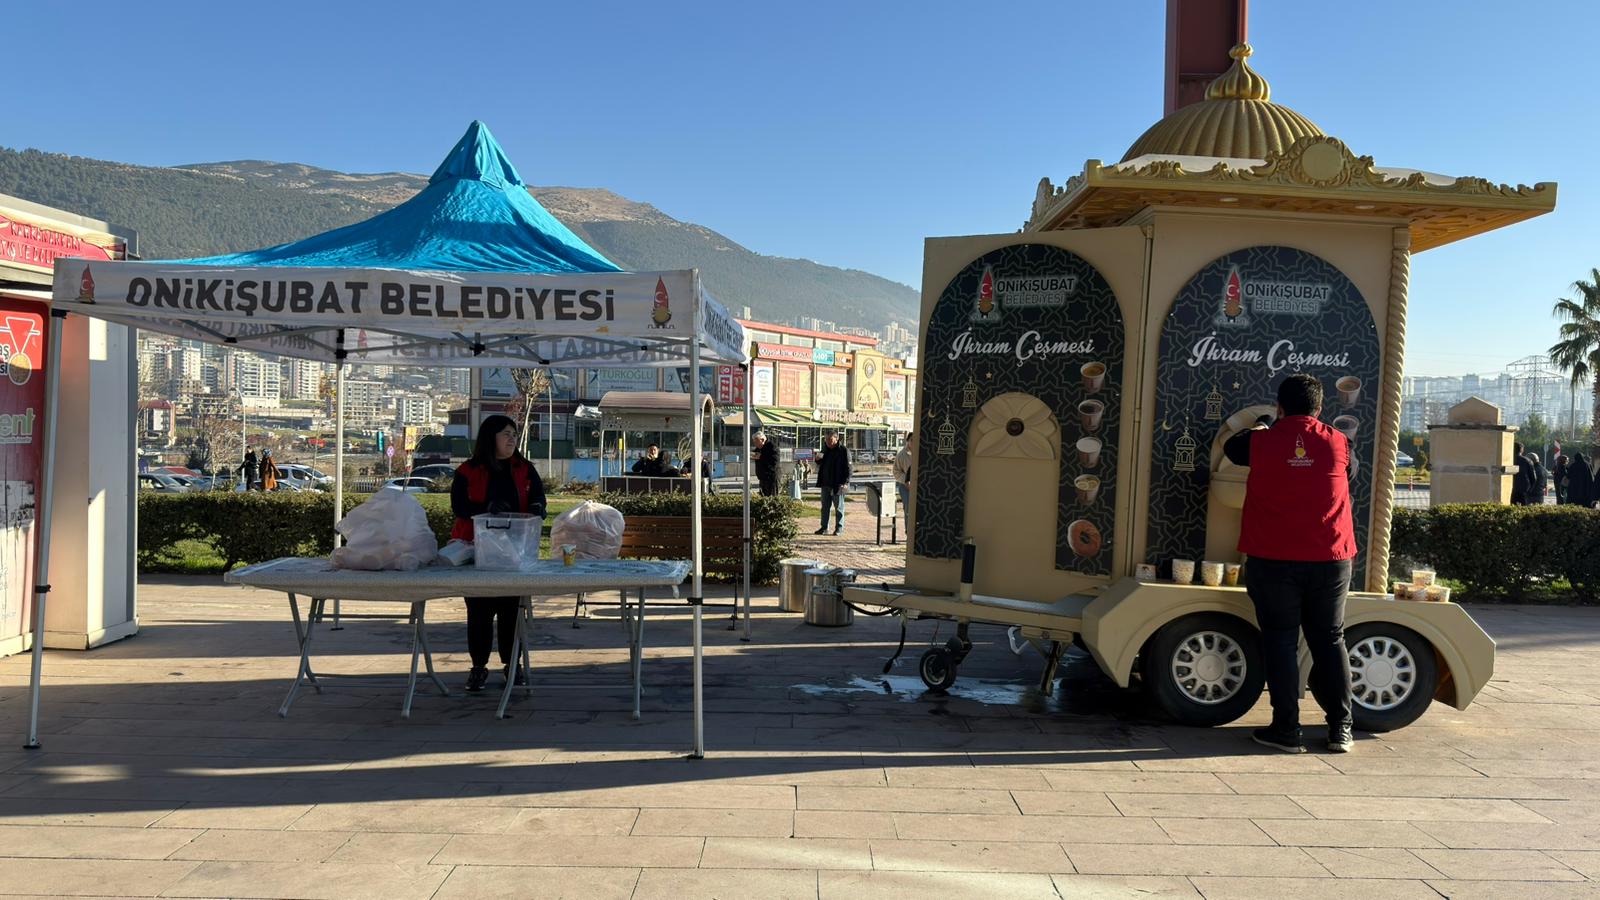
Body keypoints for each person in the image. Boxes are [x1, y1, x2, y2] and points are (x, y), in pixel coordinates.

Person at [1222, 374, 1355, 754]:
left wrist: (1264, 424)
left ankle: (1286, 730)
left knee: (1280, 641)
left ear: (1280, 407)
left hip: (1274, 558)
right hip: (1330, 558)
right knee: (1329, 640)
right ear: (1320, 408)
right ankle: (1340, 729)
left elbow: (1232, 448)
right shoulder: (1339, 442)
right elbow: (1351, 475)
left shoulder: (1261, 441)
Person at [451, 415, 547, 693]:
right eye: (505, 434)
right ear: (489, 437)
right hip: (477, 553)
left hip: (515, 554)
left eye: (514, 434)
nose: (511, 439)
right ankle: (478, 667)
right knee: (479, 613)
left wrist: (539, 506)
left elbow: (538, 496)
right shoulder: (468, 470)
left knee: (510, 612)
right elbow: (459, 506)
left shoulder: (525, 468)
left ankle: (511, 666)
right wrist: (485, 508)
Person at [814, 432, 851, 535]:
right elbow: (819, 462)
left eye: (830, 440)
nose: (828, 442)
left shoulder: (843, 451)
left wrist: (846, 482)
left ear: (836, 439)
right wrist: (817, 459)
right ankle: (824, 527)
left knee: (839, 507)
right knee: (825, 507)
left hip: (838, 484)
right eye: (826, 440)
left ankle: (839, 528)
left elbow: (849, 468)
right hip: (825, 483)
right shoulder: (825, 449)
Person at [752, 432, 779, 497]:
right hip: (762, 478)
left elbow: (774, 462)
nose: (755, 444)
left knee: (770, 498)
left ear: (762, 440)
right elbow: (755, 454)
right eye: (754, 442)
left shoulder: (772, 447)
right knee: (762, 498)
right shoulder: (759, 448)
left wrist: (761, 457)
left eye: (757, 442)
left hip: (770, 478)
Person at [893, 433, 914, 513]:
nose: (914, 442)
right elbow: (896, 471)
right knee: (909, 509)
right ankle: (908, 525)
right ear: (907, 441)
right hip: (906, 487)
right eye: (912, 440)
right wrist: (906, 480)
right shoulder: (901, 455)